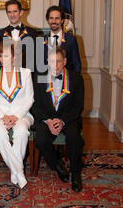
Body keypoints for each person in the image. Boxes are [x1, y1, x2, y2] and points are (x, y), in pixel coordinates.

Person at [32, 47, 84, 192]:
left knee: (74, 137)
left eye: (59, 61)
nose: (56, 65)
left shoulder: (76, 78)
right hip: (47, 118)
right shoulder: (40, 78)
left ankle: (75, 173)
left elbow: (78, 107)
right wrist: (48, 121)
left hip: (68, 118)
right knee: (40, 139)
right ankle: (57, 165)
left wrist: (62, 121)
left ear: (65, 61)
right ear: (48, 62)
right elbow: (36, 106)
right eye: (53, 61)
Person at [0, 40, 34, 189]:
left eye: (6, 56)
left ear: (14, 57)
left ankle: (15, 171)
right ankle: (18, 172)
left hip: (22, 114)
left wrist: (16, 116)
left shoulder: (25, 73)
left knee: (21, 132)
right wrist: (3, 117)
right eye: (0, 56)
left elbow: (29, 99)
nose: (2, 59)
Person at [0, 0, 37, 71]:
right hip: (6, 74)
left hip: (27, 74)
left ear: (21, 12)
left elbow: (36, 59)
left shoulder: (32, 33)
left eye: (15, 11)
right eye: (9, 12)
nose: (12, 15)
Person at [44, 5, 81, 72]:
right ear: (48, 20)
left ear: (62, 20)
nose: (54, 21)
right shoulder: (42, 41)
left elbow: (76, 64)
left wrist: (75, 81)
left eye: (57, 18)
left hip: (67, 80)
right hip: (47, 81)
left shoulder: (71, 40)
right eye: (51, 18)